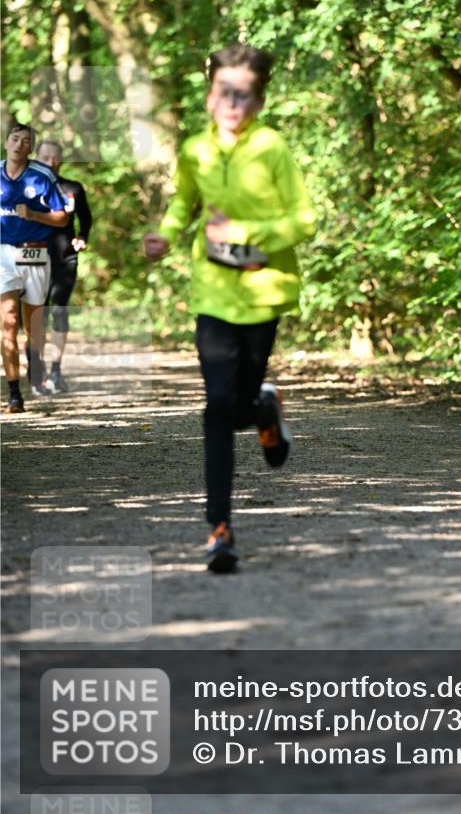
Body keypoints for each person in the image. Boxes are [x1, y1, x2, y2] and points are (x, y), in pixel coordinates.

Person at [143, 44, 317, 573]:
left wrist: (245, 234)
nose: (233, 101)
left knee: (239, 402)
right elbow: (184, 203)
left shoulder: (272, 148)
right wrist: (168, 235)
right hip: (214, 294)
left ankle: (263, 409)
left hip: (263, 293)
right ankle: (220, 528)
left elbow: (304, 221)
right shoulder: (195, 149)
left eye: (245, 93)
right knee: (217, 406)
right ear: (210, 94)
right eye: (225, 91)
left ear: (259, 100)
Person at [1, 123, 68, 412]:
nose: (18, 144)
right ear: (6, 143)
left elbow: (62, 218)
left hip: (36, 254)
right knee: (8, 321)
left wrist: (35, 215)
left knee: (34, 327)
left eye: (25, 141)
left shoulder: (43, 177)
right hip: (3, 254)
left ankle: (35, 362)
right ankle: (14, 393)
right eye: (14, 139)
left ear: (31, 148)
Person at [36, 140, 93, 393]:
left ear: (61, 160)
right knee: (38, 314)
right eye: (45, 157)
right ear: (36, 159)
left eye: (55, 157)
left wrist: (83, 237)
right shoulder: (26, 188)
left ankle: (56, 371)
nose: (51, 162)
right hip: (34, 258)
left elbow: (86, 219)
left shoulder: (73, 188)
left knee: (60, 309)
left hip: (65, 258)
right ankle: (37, 371)